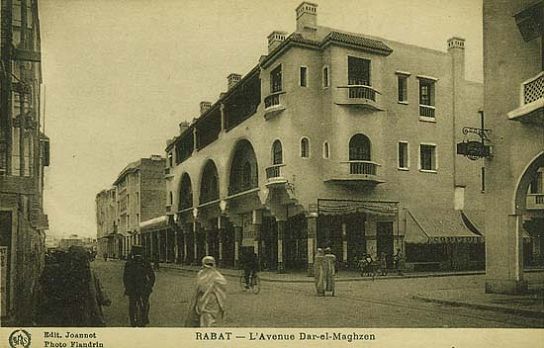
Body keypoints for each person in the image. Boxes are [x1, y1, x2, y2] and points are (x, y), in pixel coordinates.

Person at [59, 246, 111, 326]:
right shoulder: (69, 272)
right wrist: (104, 298)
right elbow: (98, 287)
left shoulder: (89, 272)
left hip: (85, 303)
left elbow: (98, 286)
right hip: (80, 303)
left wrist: (104, 298)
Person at [185, 256, 227, 327]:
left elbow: (198, 288)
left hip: (205, 301)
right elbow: (223, 286)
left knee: (205, 319)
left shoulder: (201, 274)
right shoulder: (217, 275)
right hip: (213, 301)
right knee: (210, 320)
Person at [123, 245, 155, 327]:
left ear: (133, 252)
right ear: (141, 252)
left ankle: (132, 321)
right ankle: (145, 318)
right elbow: (152, 276)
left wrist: (127, 288)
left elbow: (125, 278)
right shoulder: (145, 262)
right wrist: (149, 286)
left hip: (132, 289)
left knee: (132, 304)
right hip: (143, 288)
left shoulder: (129, 263)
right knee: (146, 303)